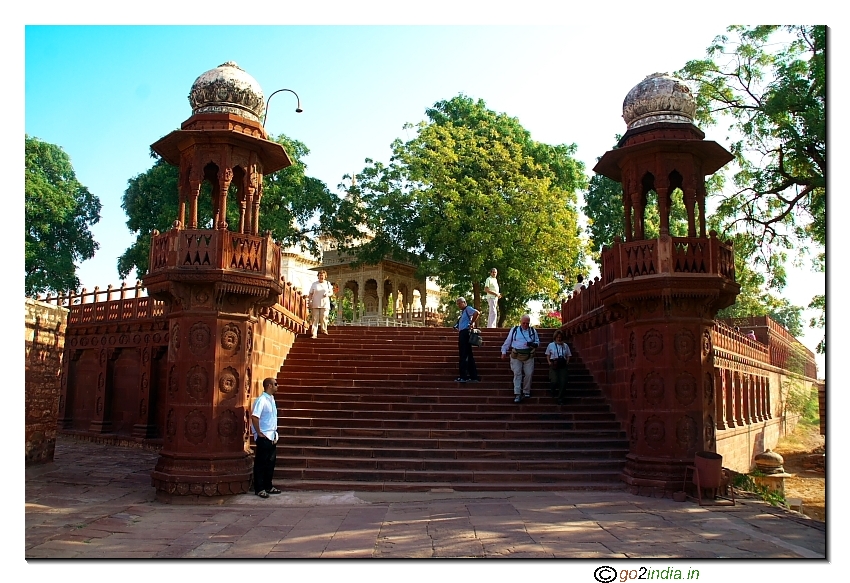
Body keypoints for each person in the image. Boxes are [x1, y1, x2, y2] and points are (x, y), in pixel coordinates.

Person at [251, 378, 281, 498]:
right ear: (269, 386)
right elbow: (255, 417)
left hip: (272, 436)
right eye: (275, 384)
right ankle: (259, 488)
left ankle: (268, 486)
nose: (277, 386)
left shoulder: (271, 399)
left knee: (270, 463)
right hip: (264, 436)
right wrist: (259, 432)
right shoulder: (261, 400)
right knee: (261, 463)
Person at [501, 314, 540, 403]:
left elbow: (537, 342)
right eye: (524, 323)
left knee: (529, 373)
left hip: (529, 354)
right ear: (520, 322)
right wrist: (504, 351)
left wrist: (533, 344)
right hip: (516, 354)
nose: (525, 325)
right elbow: (508, 341)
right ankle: (517, 393)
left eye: (527, 323)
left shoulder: (532, 331)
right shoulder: (514, 330)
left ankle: (526, 391)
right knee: (517, 373)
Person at [454, 297, 481, 383]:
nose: (458, 305)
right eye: (457, 304)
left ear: (464, 302)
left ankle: (463, 376)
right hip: (463, 332)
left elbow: (476, 312)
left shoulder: (468, 309)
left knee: (463, 355)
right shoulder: (463, 312)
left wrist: (471, 323)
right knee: (468, 355)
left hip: (465, 333)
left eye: (459, 303)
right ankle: (473, 376)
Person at [545, 330, 572, 405]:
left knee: (563, 382)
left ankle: (560, 398)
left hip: (562, 364)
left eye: (560, 337)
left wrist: (567, 362)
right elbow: (547, 354)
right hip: (554, 363)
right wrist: (549, 362)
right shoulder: (551, 345)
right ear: (555, 338)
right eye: (557, 337)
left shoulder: (565, 345)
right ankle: (552, 390)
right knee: (554, 380)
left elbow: (568, 355)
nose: (559, 339)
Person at [307, 270, 333, 338]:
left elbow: (331, 292)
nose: (321, 277)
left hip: (325, 303)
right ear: (318, 276)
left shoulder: (327, 283)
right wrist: (310, 301)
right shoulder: (314, 284)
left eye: (323, 275)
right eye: (320, 275)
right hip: (316, 303)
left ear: (325, 276)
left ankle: (324, 330)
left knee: (324, 317)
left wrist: (327, 294)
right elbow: (310, 293)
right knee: (315, 319)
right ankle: (314, 333)